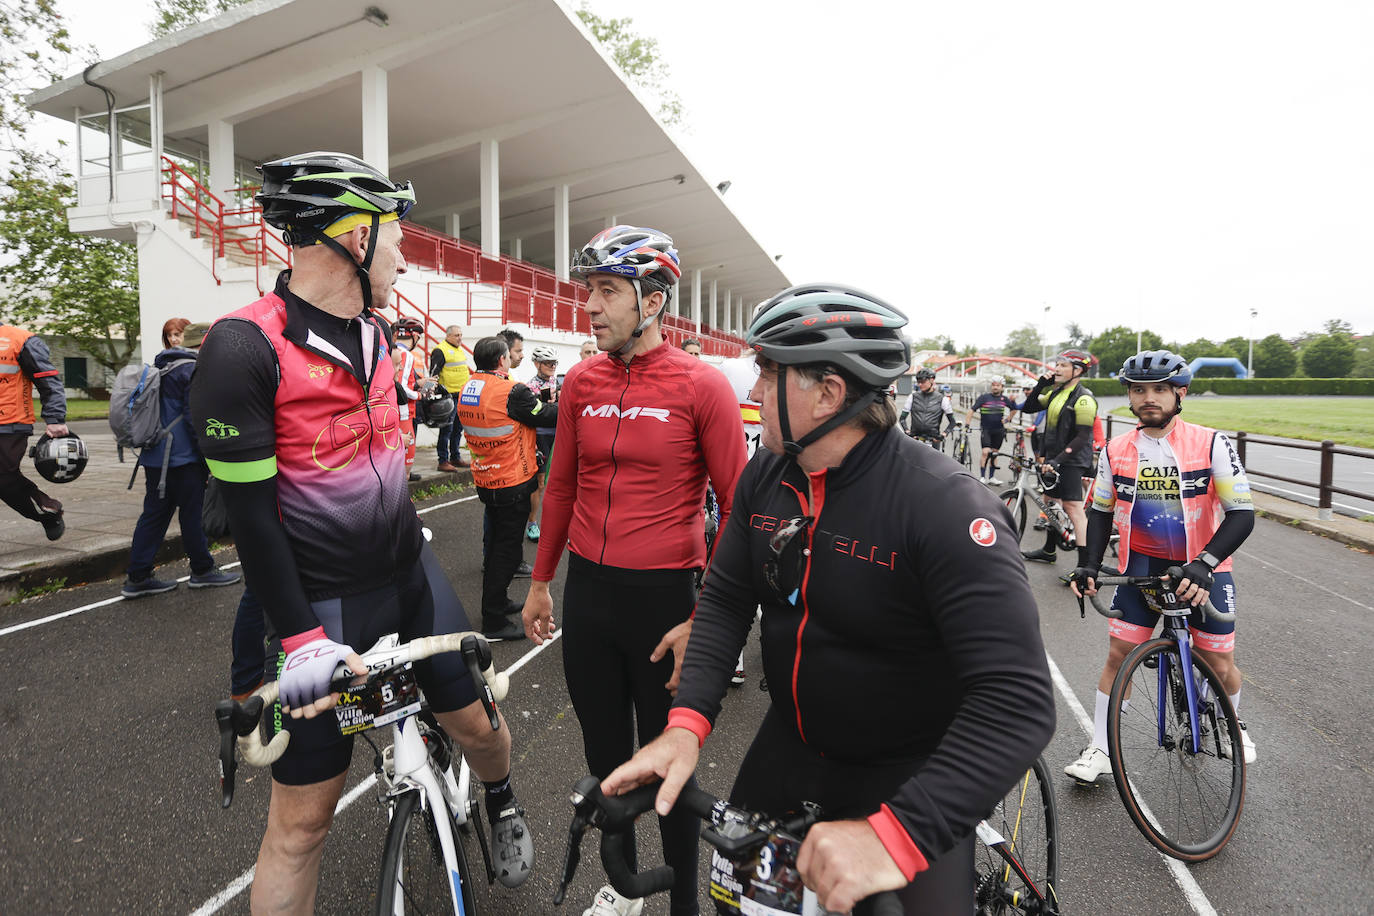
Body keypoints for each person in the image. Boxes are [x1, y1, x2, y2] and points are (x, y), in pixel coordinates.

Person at [601, 283, 1054, 916]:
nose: (753, 391)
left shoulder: (944, 507)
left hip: (910, 771)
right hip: (791, 747)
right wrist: (685, 726)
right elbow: (728, 597)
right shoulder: (767, 472)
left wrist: (893, 837)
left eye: (767, 373)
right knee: (738, 906)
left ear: (828, 395)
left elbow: (1018, 701)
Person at [190, 151, 533, 912]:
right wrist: (301, 639)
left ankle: (501, 799)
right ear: (352, 237)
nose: (405, 256)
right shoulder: (245, 348)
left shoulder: (380, 336)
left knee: (482, 733)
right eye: (396, 236)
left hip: (412, 578)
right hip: (322, 610)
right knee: (300, 827)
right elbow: (251, 524)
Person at [521, 225, 747, 916]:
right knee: (605, 759)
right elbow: (560, 488)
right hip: (588, 595)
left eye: (608, 291)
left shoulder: (701, 386)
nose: (590, 306)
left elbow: (738, 508)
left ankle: (681, 895)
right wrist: (538, 581)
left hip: (664, 602)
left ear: (652, 301)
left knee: (669, 765)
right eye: (589, 290)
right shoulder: (583, 381)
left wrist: (706, 615)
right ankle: (624, 884)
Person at [1066, 350, 1256, 783]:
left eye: (1158, 390)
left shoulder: (1210, 442)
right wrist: (1089, 564)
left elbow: (1241, 513)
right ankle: (1100, 746)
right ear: (1129, 397)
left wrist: (1205, 563)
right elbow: (1099, 511)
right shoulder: (1115, 450)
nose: (1148, 398)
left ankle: (1232, 721)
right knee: (1118, 655)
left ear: (1180, 393)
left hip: (1203, 569)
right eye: (1138, 390)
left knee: (1218, 663)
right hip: (1143, 568)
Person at [122, 321, 242, 597]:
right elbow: (195, 418)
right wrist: (210, 455)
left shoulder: (163, 366)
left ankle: (138, 576)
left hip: (155, 456)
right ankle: (202, 570)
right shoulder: (192, 369)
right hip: (182, 459)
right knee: (192, 514)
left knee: (153, 516)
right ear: (203, 344)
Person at [457, 335, 555, 641]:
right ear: (502, 360)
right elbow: (545, 415)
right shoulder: (512, 390)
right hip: (513, 480)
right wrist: (559, 401)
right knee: (505, 551)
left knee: (498, 544)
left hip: (487, 478)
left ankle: (498, 603)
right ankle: (494, 620)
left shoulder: (469, 386)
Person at [1019, 349, 1098, 573]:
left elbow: (1083, 436)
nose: (1057, 369)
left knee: (1073, 507)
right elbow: (1028, 407)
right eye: (1057, 365)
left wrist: (1059, 460)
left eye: (1063, 365)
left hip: (1072, 460)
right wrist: (1039, 385)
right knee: (1050, 501)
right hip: (1054, 458)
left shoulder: (1083, 398)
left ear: (1078, 370)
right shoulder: (1055, 393)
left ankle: (1084, 566)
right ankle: (1049, 550)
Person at [0, 322, 69, 540]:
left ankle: (48, 511)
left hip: (10, 423)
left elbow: (48, 380)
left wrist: (55, 418)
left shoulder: (21, 340)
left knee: (4, 477)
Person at [524, 343, 560, 543]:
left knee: (561, 481)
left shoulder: (558, 382)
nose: (552, 366)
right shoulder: (530, 386)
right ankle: (532, 522)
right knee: (540, 483)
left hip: (559, 434)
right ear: (537, 364)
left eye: (554, 363)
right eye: (548, 363)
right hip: (540, 436)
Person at [391, 316, 430, 482]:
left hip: (391, 410)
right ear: (414, 336)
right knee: (404, 472)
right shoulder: (406, 354)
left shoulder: (390, 349)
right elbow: (401, 387)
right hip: (404, 412)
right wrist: (421, 395)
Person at [429, 324, 471, 471]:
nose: (460, 338)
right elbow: (433, 374)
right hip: (448, 397)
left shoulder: (459, 350)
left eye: (461, 335)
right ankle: (443, 461)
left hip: (461, 396)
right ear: (448, 336)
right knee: (447, 429)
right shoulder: (440, 350)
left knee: (458, 429)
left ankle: (455, 457)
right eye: (456, 335)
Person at [965, 378, 1019, 484]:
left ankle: (991, 477)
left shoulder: (1004, 399)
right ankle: (982, 477)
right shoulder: (984, 398)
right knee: (985, 452)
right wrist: (967, 423)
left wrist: (1008, 419)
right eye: (993, 385)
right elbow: (971, 410)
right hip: (986, 429)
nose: (995, 387)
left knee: (995, 453)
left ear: (1002, 387)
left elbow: (1014, 409)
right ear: (991, 386)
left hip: (999, 430)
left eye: (998, 385)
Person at [899, 368, 952, 444]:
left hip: (933, 440)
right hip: (915, 439)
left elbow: (952, 422)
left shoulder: (942, 399)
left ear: (932, 380)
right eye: (918, 382)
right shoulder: (912, 397)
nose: (920, 384)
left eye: (923, 382)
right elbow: (902, 419)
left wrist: (944, 434)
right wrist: (907, 432)